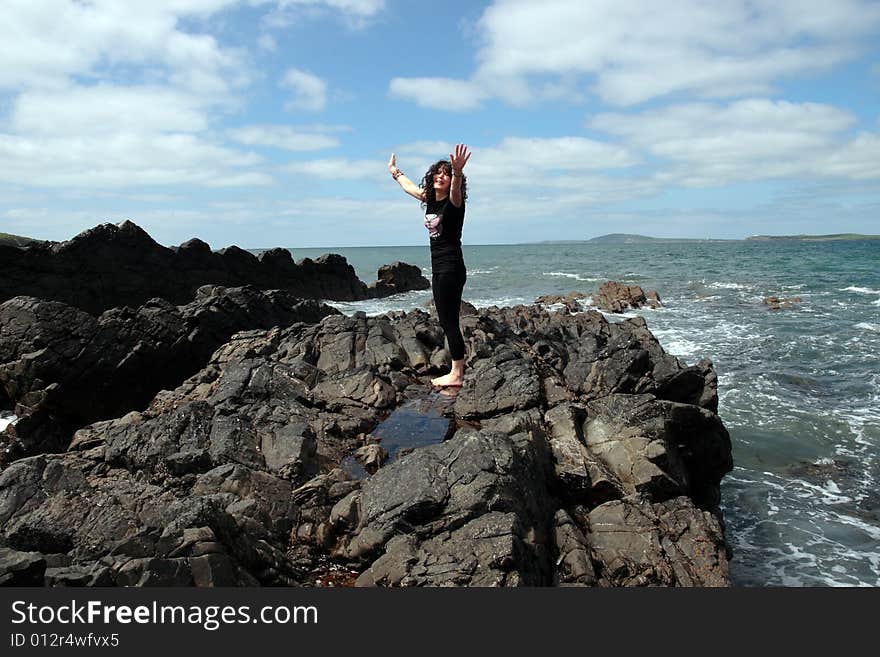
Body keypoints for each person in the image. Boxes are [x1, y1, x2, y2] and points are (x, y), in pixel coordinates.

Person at [388, 144, 471, 387]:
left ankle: (457, 374)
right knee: (447, 319)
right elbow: (409, 187)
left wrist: (456, 172)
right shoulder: (430, 199)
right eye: (438, 172)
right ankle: (457, 369)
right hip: (439, 269)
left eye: (445, 173)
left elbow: (455, 190)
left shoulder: (454, 203)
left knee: (448, 321)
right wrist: (394, 171)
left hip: (451, 268)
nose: (441, 175)